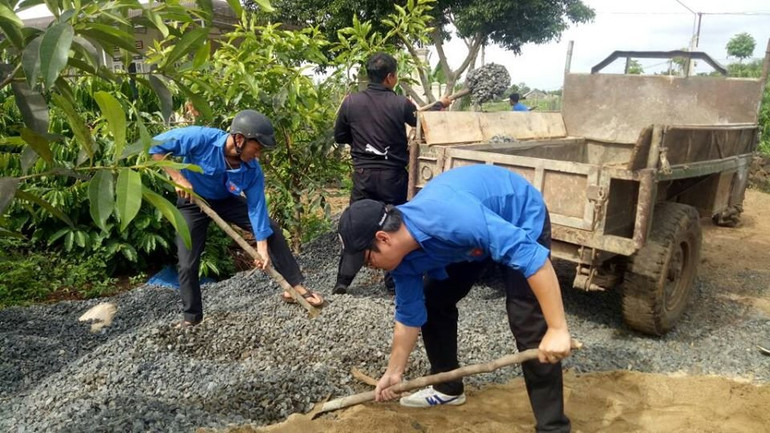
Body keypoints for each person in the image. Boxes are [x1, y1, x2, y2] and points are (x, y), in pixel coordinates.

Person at [337, 164, 572, 432]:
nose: (370, 269)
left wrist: (557, 328)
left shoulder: (450, 219)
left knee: (527, 321)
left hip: (516, 214)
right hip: (468, 244)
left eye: (368, 261)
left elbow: (534, 260)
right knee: (433, 300)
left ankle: (553, 427)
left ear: (383, 238)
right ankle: (448, 388)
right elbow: (409, 315)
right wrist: (394, 371)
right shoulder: (401, 261)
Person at [149, 109, 324, 327]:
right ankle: (192, 318)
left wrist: (261, 247)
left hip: (226, 200)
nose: (258, 155)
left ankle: (294, 287)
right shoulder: (200, 138)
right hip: (193, 199)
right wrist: (178, 177)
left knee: (271, 229)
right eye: (257, 148)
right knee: (187, 262)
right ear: (239, 139)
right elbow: (155, 146)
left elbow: (257, 206)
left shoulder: (252, 169)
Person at [331, 52, 418, 295]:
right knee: (394, 228)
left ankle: (343, 282)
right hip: (392, 176)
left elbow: (339, 137)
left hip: (363, 175)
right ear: (390, 77)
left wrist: (361, 141)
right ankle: (393, 283)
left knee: (356, 225)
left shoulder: (351, 102)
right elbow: (422, 126)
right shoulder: (401, 103)